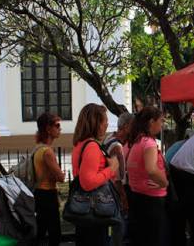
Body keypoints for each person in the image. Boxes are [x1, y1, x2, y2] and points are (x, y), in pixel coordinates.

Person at [72, 103, 119, 246]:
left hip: (85, 209)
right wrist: (111, 169)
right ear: (96, 123)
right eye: (105, 120)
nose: (107, 124)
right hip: (94, 210)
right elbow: (88, 182)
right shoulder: (92, 146)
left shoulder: (81, 144)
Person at [126, 106, 169, 246]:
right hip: (152, 200)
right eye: (160, 121)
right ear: (151, 122)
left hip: (138, 196)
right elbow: (151, 169)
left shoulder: (135, 142)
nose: (162, 125)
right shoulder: (149, 143)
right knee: (154, 238)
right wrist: (164, 182)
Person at [102, 112, 134, 246]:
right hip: (114, 193)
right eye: (133, 127)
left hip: (108, 190)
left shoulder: (109, 138)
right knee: (119, 229)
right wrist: (123, 198)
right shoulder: (117, 146)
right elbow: (117, 178)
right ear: (126, 127)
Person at [33, 112, 65, 246]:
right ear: (48, 128)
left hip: (39, 193)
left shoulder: (38, 148)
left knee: (41, 230)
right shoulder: (47, 151)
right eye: (57, 125)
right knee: (54, 233)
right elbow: (61, 177)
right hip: (47, 195)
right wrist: (59, 173)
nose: (60, 128)